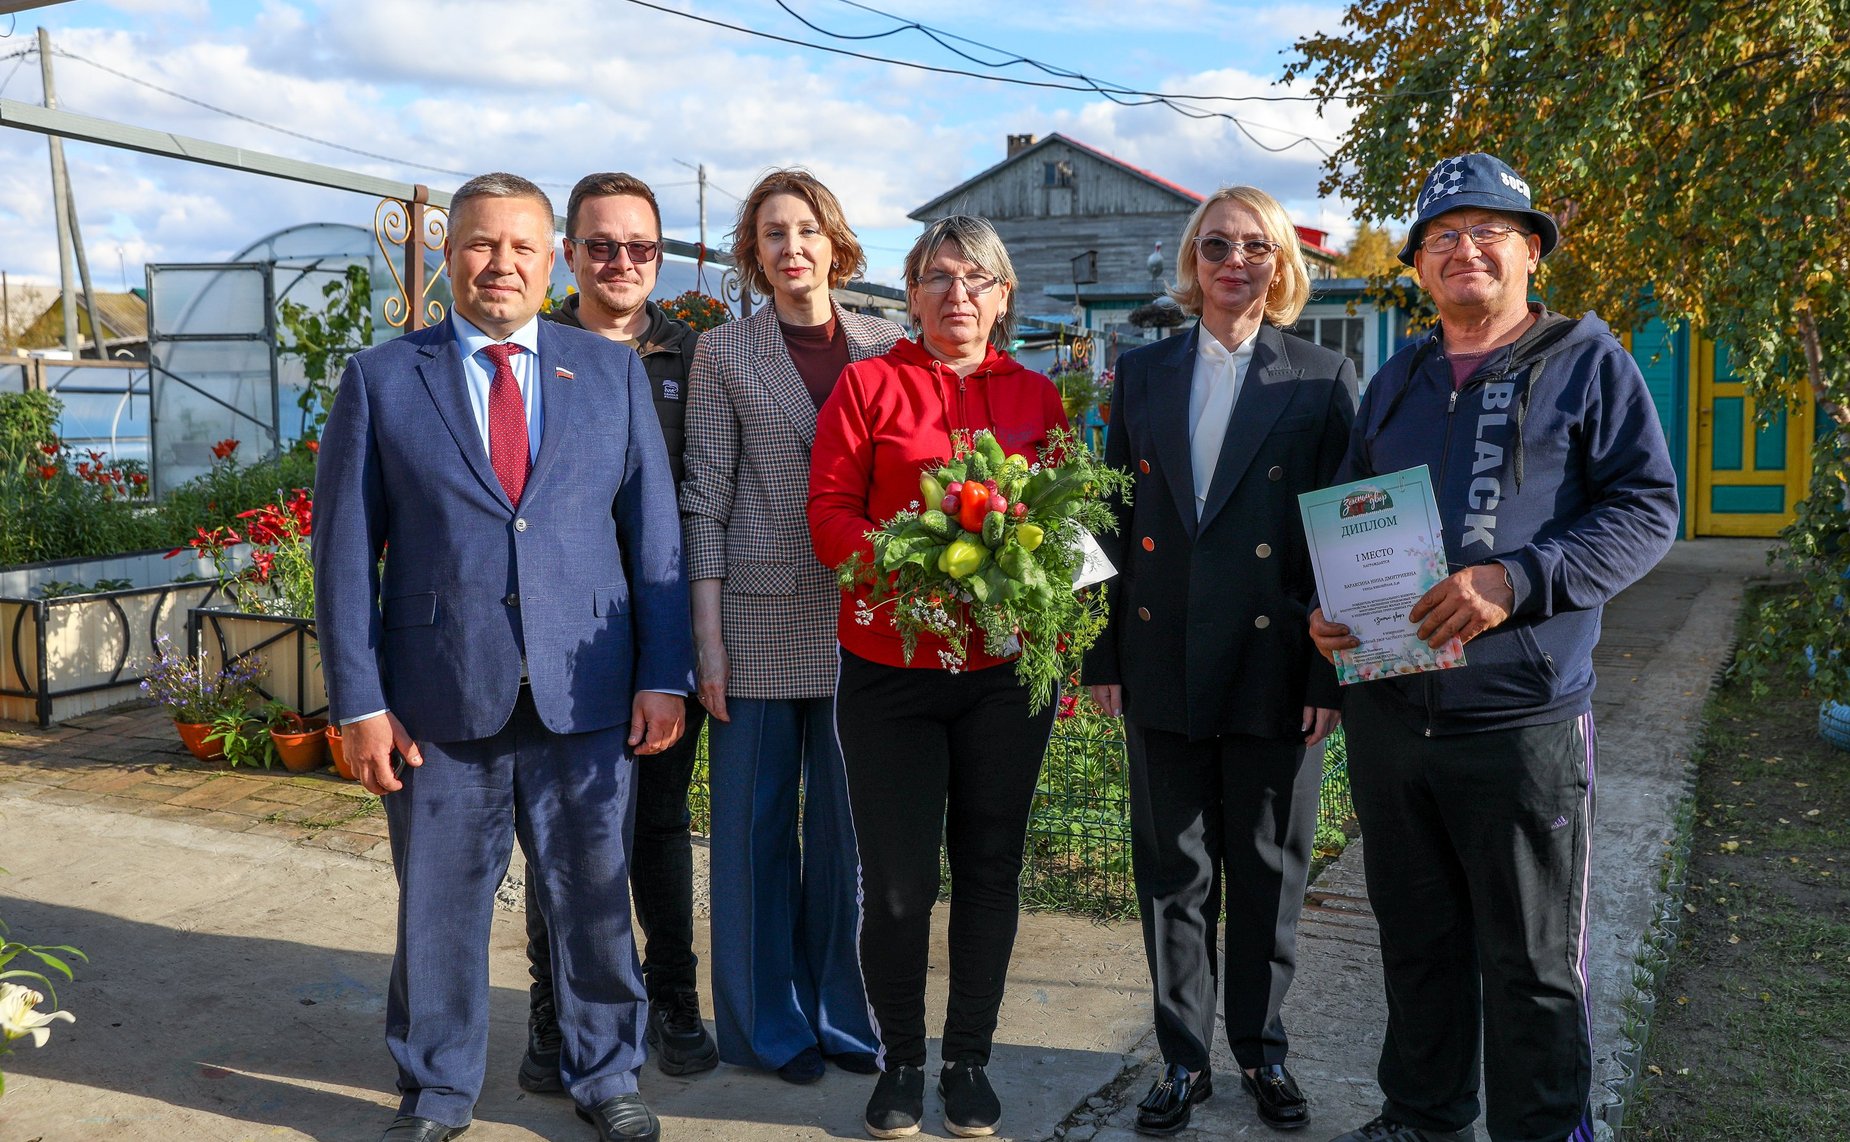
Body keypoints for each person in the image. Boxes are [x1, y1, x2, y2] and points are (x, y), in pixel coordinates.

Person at [313, 172, 693, 1142]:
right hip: (439, 696)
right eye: (483, 244)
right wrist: (357, 700)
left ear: (551, 258)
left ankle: (605, 1070)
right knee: (438, 912)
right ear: (448, 254)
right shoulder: (383, 378)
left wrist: (662, 673)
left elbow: (653, 539)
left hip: (588, 694)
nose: (502, 264)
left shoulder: (605, 373)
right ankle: (435, 1092)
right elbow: (346, 553)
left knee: (595, 900)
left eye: (523, 247)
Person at [1309, 153, 1679, 1142]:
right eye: (1440, 237)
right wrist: (1327, 610)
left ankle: (1545, 1126)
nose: (1462, 249)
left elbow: (1647, 511)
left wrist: (1512, 580)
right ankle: (1422, 1113)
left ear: (1527, 251)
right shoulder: (1395, 379)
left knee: (1530, 955)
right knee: (1417, 941)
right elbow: (1348, 516)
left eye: (1486, 231)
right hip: (1391, 713)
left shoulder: (1586, 359)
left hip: (1520, 719)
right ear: (1418, 268)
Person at [1082, 185, 1357, 1136]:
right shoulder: (1144, 371)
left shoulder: (1321, 376)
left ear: (1281, 263)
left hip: (1278, 661)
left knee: (1270, 870)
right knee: (1173, 871)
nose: (1233, 261)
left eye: (1253, 246)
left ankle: (1263, 1052)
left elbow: (1341, 535)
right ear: (1190, 263)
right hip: (1160, 653)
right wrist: (1098, 650)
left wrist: (1331, 676)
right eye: (1215, 246)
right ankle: (1183, 1060)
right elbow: (1107, 516)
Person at [809, 214, 1070, 1140]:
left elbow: (1069, 534)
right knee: (896, 884)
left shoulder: (1039, 398)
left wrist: (1059, 640)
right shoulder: (867, 386)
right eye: (938, 277)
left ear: (1004, 297)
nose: (957, 294)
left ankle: (968, 1060)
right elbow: (831, 515)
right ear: (911, 294)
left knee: (991, 867)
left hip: (1001, 676)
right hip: (891, 670)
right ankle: (902, 1060)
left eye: (977, 279)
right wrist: (907, 564)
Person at [679, 168, 900, 1084]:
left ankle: (848, 1022)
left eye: (806, 229)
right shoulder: (725, 354)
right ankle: (767, 1029)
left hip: (870, 620)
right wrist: (708, 638)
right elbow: (705, 498)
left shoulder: (891, 345)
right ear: (755, 253)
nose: (792, 247)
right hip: (759, 618)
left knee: (850, 837)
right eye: (773, 233)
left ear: (835, 241)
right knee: (754, 837)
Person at [512, 171, 717, 1094]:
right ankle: (555, 1011)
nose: (622, 263)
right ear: (570, 254)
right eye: (602, 246)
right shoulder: (534, 353)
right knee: (557, 833)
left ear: (660, 257)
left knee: (660, 828)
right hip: (560, 637)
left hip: (661, 628)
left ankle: (674, 997)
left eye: (640, 247)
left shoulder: (695, 356)